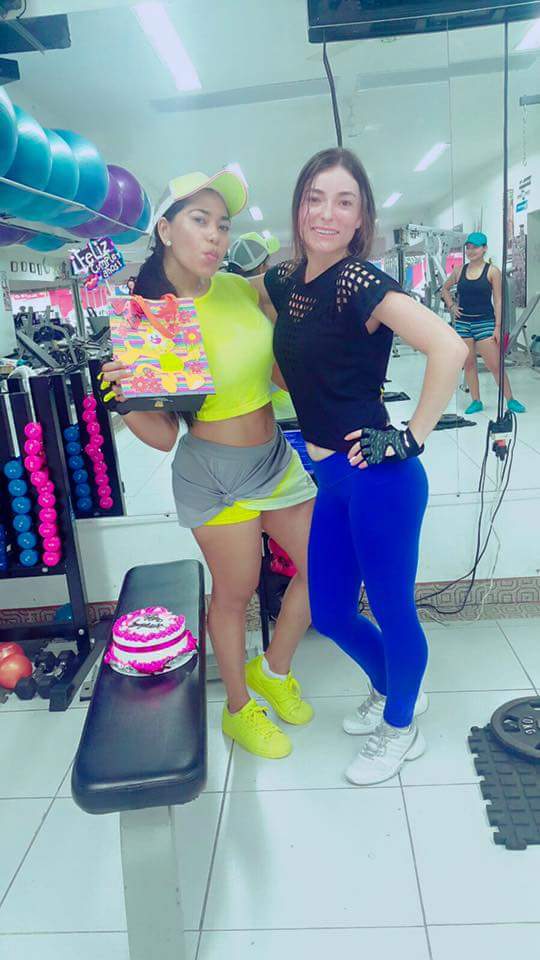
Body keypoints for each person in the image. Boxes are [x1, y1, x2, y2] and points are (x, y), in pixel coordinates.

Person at [251, 147, 468, 786]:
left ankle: (401, 726)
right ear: (299, 206)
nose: (326, 213)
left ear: (360, 217)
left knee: (394, 610)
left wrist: (410, 438)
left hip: (381, 479)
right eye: (315, 198)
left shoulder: (360, 283)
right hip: (331, 477)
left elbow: (449, 348)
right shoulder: (286, 281)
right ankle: (393, 686)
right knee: (332, 611)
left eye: (343, 202)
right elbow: (249, 295)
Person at [97, 170, 317, 760]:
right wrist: (123, 398)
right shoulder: (150, 318)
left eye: (223, 224)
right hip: (215, 475)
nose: (216, 235)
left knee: (326, 565)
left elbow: (280, 374)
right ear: (166, 230)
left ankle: (274, 668)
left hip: (275, 458)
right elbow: (163, 437)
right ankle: (239, 709)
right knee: (235, 593)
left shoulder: (240, 291)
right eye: (200, 220)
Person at [441, 232, 525, 415]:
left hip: (485, 323)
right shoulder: (459, 271)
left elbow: (499, 300)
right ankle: (476, 400)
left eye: (475, 247)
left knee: (495, 365)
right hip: (463, 324)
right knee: (469, 364)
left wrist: (498, 327)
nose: (471, 251)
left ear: (484, 248)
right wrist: (452, 306)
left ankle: (510, 399)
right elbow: (444, 289)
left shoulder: (492, 271)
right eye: (468, 247)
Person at [227, 231, 296, 421]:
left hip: (238, 400)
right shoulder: (270, 300)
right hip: (277, 398)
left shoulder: (223, 297)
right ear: (261, 267)